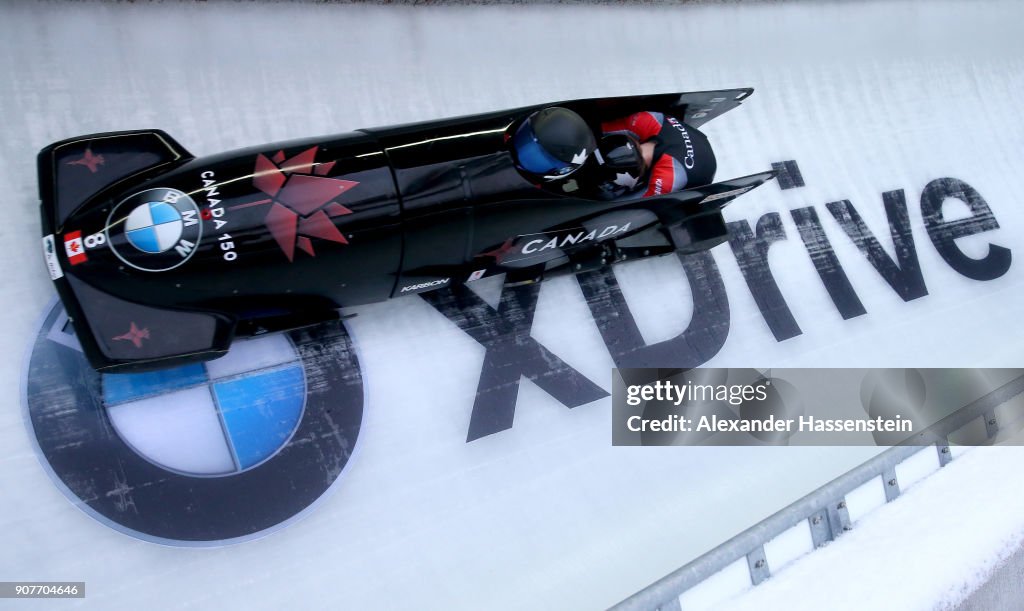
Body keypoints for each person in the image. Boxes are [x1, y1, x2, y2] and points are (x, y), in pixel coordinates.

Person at [510, 106, 716, 200]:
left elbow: (634, 205)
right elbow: (594, 132)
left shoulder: (669, 177)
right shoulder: (644, 120)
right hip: (672, 132)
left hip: (699, 172)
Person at [597, 110, 717, 199]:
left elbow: (632, 201)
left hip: (703, 171)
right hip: (691, 138)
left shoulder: (666, 177)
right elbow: (598, 130)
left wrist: (608, 195)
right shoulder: (642, 121)